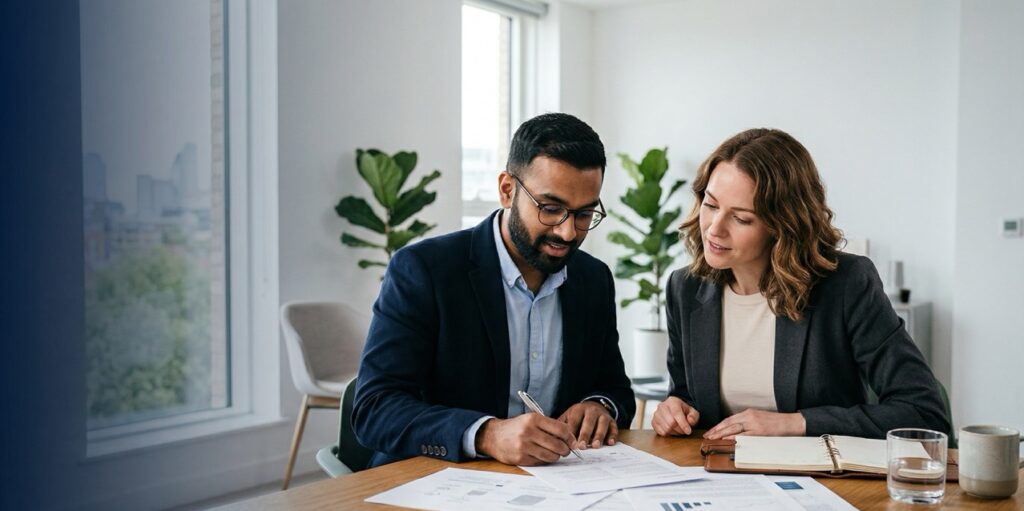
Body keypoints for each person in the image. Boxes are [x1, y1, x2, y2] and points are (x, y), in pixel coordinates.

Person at [353, 113, 635, 468]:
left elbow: (615, 388)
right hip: (435, 482)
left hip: (556, 487)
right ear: (507, 190)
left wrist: (599, 406)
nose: (567, 233)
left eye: (584, 214)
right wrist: (485, 434)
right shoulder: (424, 270)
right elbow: (375, 408)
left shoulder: (593, 280)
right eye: (550, 209)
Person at [652, 128, 950, 441]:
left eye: (741, 218)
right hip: (721, 480)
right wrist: (675, 410)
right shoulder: (684, 288)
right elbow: (688, 399)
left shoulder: (847, 284)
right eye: (710, 205)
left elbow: (924, 413)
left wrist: (796, 423)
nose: (714, 228)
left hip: (821, 482)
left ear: (783, 225)